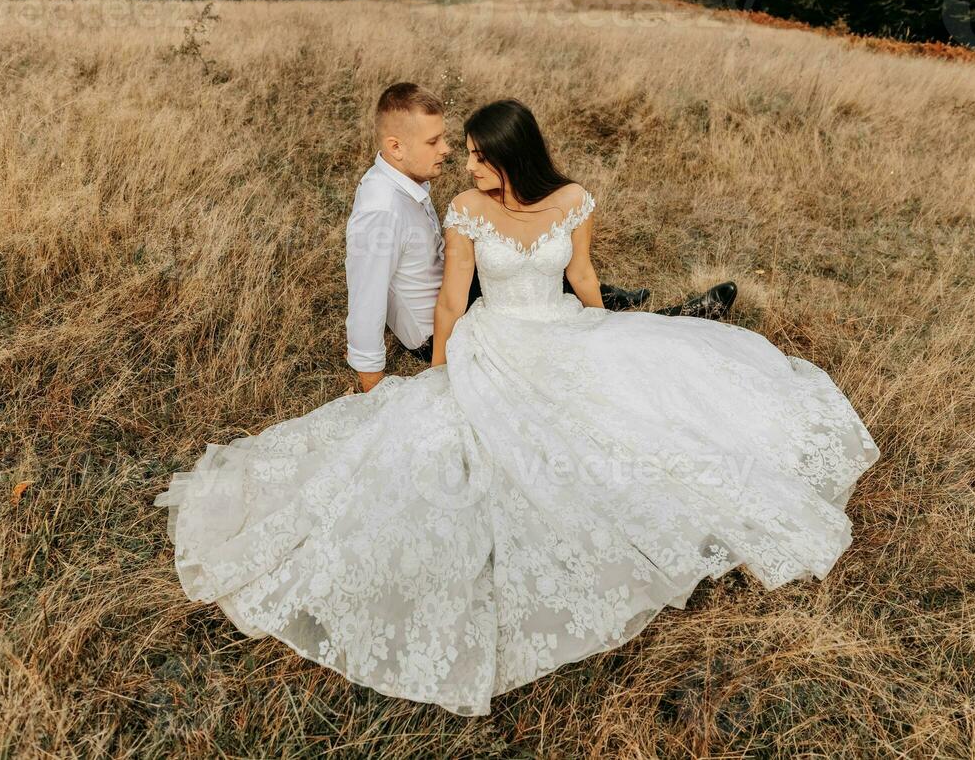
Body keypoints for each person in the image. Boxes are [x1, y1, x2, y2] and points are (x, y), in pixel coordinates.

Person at [153, 98, 880, 717]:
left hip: (565, 329)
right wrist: (439, 369)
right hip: (496, 340)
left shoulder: (574, 200)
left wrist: (613, 326)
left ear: (513, 155)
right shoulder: (467, 210)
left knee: (645, 420)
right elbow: (450, 297)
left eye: (477, 156)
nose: (466, 167)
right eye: (460, 153)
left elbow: (584, 272)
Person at [343, 82, 738, 392]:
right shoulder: (382, 211)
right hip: (450, 324)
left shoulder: (407, 181)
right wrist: (374, 382)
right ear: (395, 147)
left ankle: (618, 308)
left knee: (542, 261)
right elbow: (367, 301)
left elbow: (577, 266)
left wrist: (602, 324)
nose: (448, 152)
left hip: (469, 290)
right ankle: (664, 318)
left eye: (448, 140)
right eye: (434, 142)